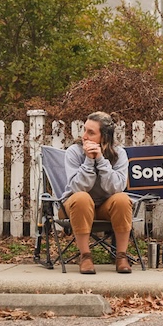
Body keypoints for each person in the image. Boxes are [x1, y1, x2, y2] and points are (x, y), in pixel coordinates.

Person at [62, 111, 134, 274]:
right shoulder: (74, 151)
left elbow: (116, 188)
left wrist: (101, 160)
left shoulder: (119, 154)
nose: (85, 136)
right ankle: (85, 256)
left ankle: (121, 256)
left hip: (104, 207)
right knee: (82, 198)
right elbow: (78, 187)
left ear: (105, 137)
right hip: (74, 205)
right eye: (85, 130)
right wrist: (89, 160)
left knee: (122, 199)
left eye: (91, 132)